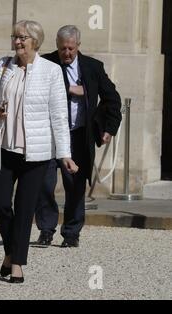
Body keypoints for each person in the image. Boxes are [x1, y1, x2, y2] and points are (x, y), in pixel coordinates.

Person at [0, 20, 78, 283]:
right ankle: (10, 251)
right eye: (15, 37)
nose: (17, 42)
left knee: (25, 209)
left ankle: (16, 263)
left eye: (23, 38)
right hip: (3, 147)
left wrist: (65, 155)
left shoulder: (50, 71)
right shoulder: (3, 65)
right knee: (0, 203)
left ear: (35, 41)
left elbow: (59, 116)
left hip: (36, 153)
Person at [34, 25, 122, 248]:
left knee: (75, 186)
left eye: (71, 49)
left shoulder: (92, 68)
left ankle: (72, 232)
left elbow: (112, 99)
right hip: (49, 135)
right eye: (63, 48)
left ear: (78, 46)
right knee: (44, 184)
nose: (67, 53)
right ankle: (46, 229)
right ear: (57, 45)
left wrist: (109, 129)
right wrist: (71, 89)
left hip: (78, 136)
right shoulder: (45, 63)